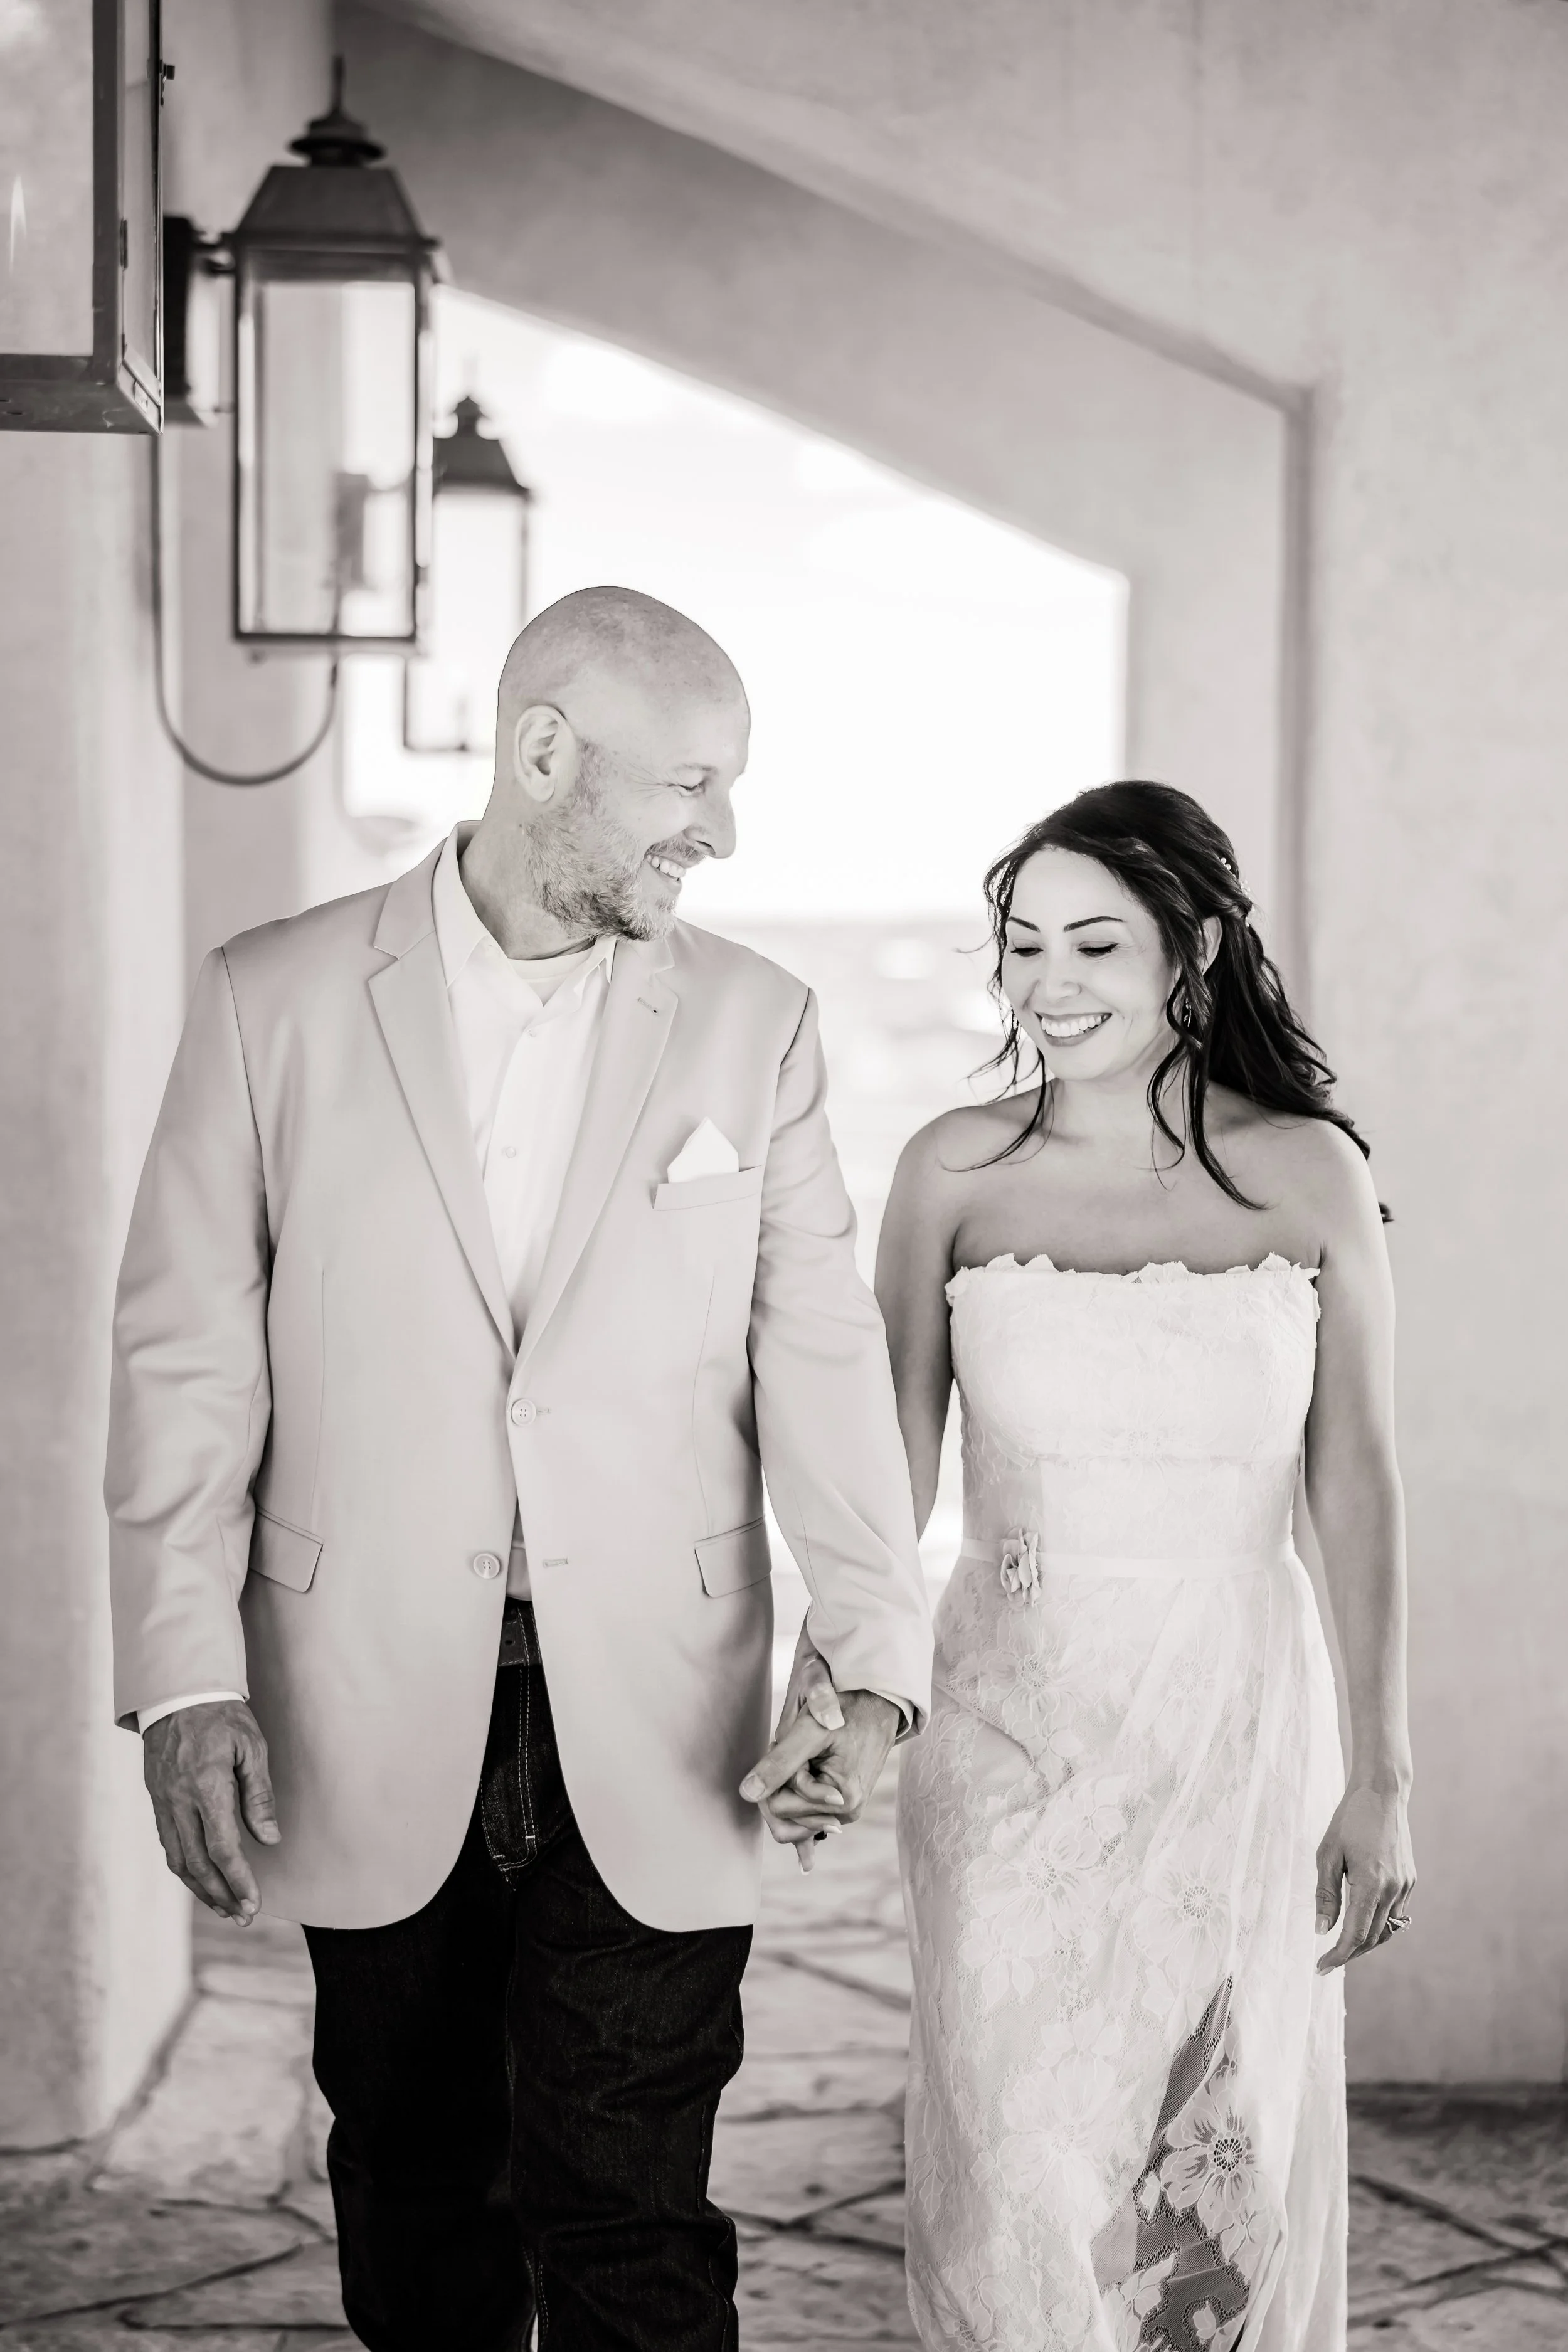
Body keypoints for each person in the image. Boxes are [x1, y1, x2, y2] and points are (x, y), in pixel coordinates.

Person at [105, 586, 933, 2352]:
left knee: (628, 2202)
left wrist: (869, 1651)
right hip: (361, 1686)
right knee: (414, 2177)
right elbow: (186, 1357)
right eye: (691, 783)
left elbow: (819, 1353)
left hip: (658, 1699)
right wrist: (183, 1671)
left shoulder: (758, 1022)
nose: (720, 830)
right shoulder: (273, 998)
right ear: (544, 750)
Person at [876, 783, 1413, 2349]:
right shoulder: (949, 1172)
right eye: (1022, 942)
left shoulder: (1307, 1172)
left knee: (1200, 2182)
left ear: (1192, 947)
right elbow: (887, 1473)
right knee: (1022, 2158)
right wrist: (844, 1685)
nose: (1049, 981)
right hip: (1011, 1723)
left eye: (1093, 943)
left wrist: (1379, 1773)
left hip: (1236, 1721)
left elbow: (1357, 1483)